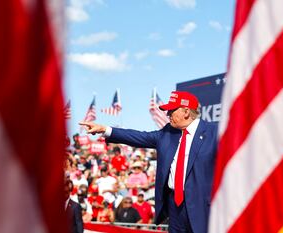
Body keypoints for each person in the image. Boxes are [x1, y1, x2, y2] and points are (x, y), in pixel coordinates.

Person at [80, 91, 218, 233]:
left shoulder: (215, 133)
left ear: (186, 112)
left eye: (171, 110)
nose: (168, 114)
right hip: (174, 206)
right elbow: (139, 136)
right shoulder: (167, 133)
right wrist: (105, 129)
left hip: (202, 207)